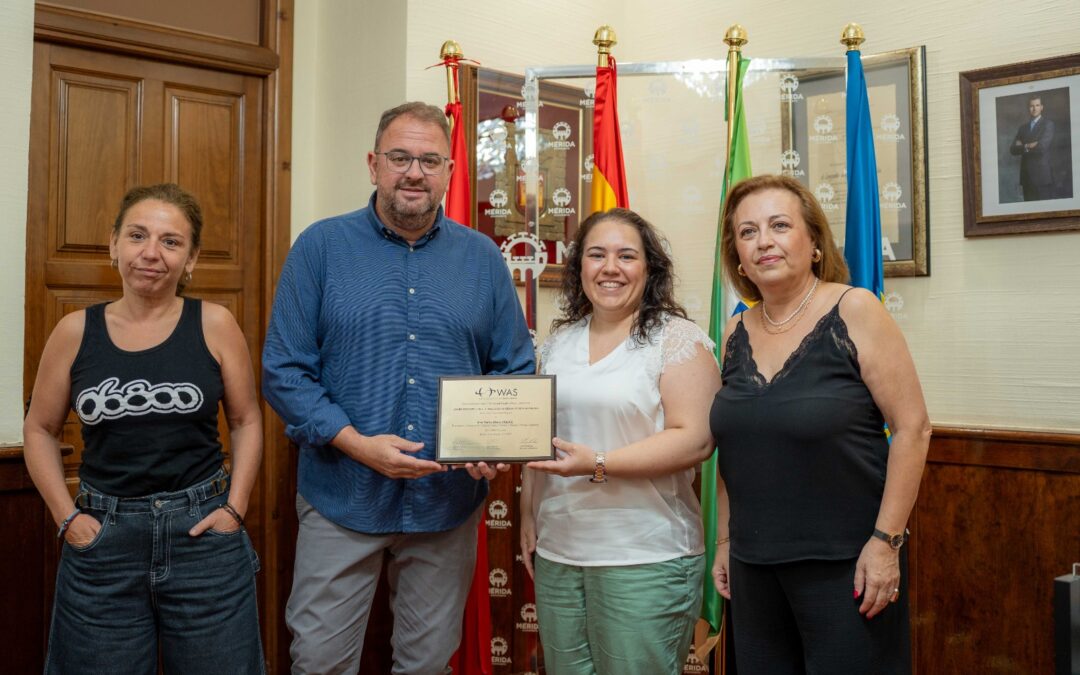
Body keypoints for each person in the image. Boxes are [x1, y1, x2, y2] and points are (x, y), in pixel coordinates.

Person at [262, 101, 535, 674]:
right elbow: (284, 369)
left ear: (450, 172)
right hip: (342, 495)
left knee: (427, 666)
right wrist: (355, 443)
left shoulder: (483, 259)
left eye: (429, 160)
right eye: (400, 157)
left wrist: (493, 441)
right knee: (318, 663)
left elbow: (513, 367)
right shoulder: (319, 248)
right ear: (373, 164)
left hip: (446, 504)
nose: (414, 172)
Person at [23, 183, 265, 674]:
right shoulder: (74, 331)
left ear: (191, 257)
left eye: (171, 241)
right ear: (114, 244)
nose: (151, 253)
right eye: (137, 235)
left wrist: (235, 509)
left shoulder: (215, 324)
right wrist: (66, 519)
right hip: (103, 542)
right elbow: (39, 429)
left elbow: (246, 420)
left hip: (203, 538)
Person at [709, 174, 931, 674]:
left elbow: (913, 429)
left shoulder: (855, 308)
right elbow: (734, 450)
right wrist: (725, 544)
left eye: (779, 225)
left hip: (849, 566)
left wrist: (886, 543)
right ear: (738, 256)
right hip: (754, 567)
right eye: (747, 232)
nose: (763, 241)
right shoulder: (734, 331)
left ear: (813, 243)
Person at [519, 208, 721, 675]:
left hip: (644, 556)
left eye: (626, 255)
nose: (610, 267)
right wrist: (530, 510)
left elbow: (695, 441)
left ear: (649, 269)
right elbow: (539, 435)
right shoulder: (557, 344)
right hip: (560, 553)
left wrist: (599, 462)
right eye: (596, 255)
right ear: (579, 268)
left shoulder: (678, 341)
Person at [1010, 95, 1056, 201]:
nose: (1034, 108)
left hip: (1042, 178)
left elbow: (1041, 148)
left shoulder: (1048, 125)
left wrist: (1022, 146)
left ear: (1042, 107)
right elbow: (1012, 149)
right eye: (1031, 106)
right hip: (1026, 177)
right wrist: (1028, 145)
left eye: (1037, 105)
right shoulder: (1023, 128)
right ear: (1028, 108)